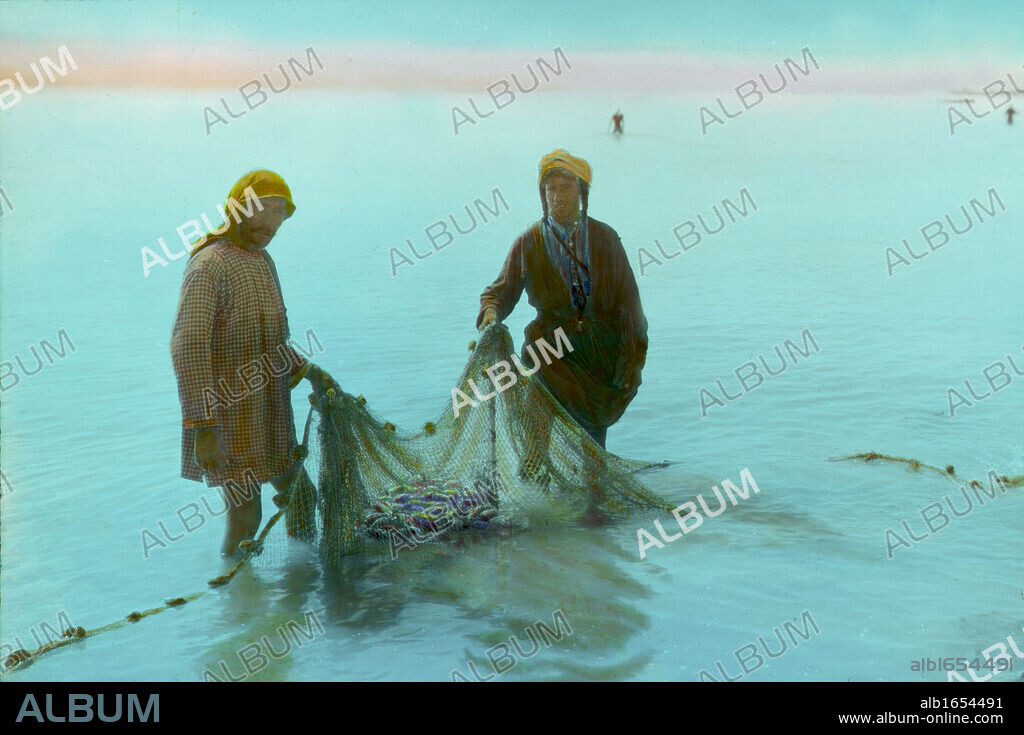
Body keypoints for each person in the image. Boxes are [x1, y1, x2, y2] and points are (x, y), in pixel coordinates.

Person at [171, 170, 339, 556]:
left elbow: (273, 343)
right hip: (227, 417)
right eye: (264, 212)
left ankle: (301, 582)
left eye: (280, 214)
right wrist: (204, 427)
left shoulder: (263, 261)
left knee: (301, 497)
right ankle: (236, 601)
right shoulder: (208, 265)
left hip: (270, 412)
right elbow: (187, 347)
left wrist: (312, 372)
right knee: (246, 516)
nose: (272, 224)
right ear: (239, 210)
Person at [476, 150, 647, 452]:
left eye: (566, 187)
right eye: (550, 189)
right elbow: (500, 292)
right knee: (535, 429)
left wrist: (631, 360)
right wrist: (491, 313)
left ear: (582, 192)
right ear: (543, 195)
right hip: (548, 347)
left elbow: (630, 306)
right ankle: (536, 487)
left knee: (593, 443)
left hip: (597, 352)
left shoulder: (606, 238)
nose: (557, 196)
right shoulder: (529, 241)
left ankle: (594, 495)